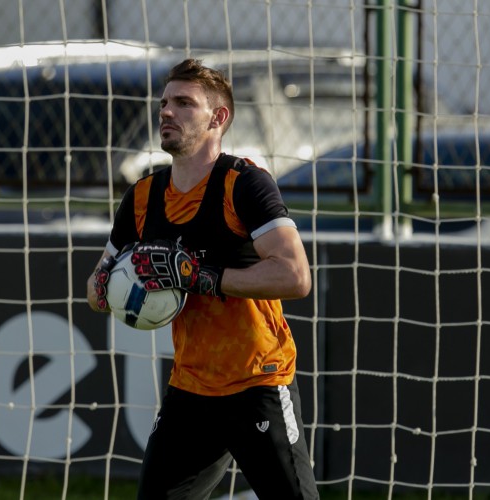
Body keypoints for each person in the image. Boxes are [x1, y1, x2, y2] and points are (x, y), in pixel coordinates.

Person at [87, 58, 318, 499]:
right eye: (164, 102)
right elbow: (96, 288)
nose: (166, 112)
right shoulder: (143, 195)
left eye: (183, 103)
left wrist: (201, 277)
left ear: (218, 117)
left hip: (258, 380)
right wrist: (111, 286)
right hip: (190, 387)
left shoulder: (244, 183)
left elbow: (295, 275)